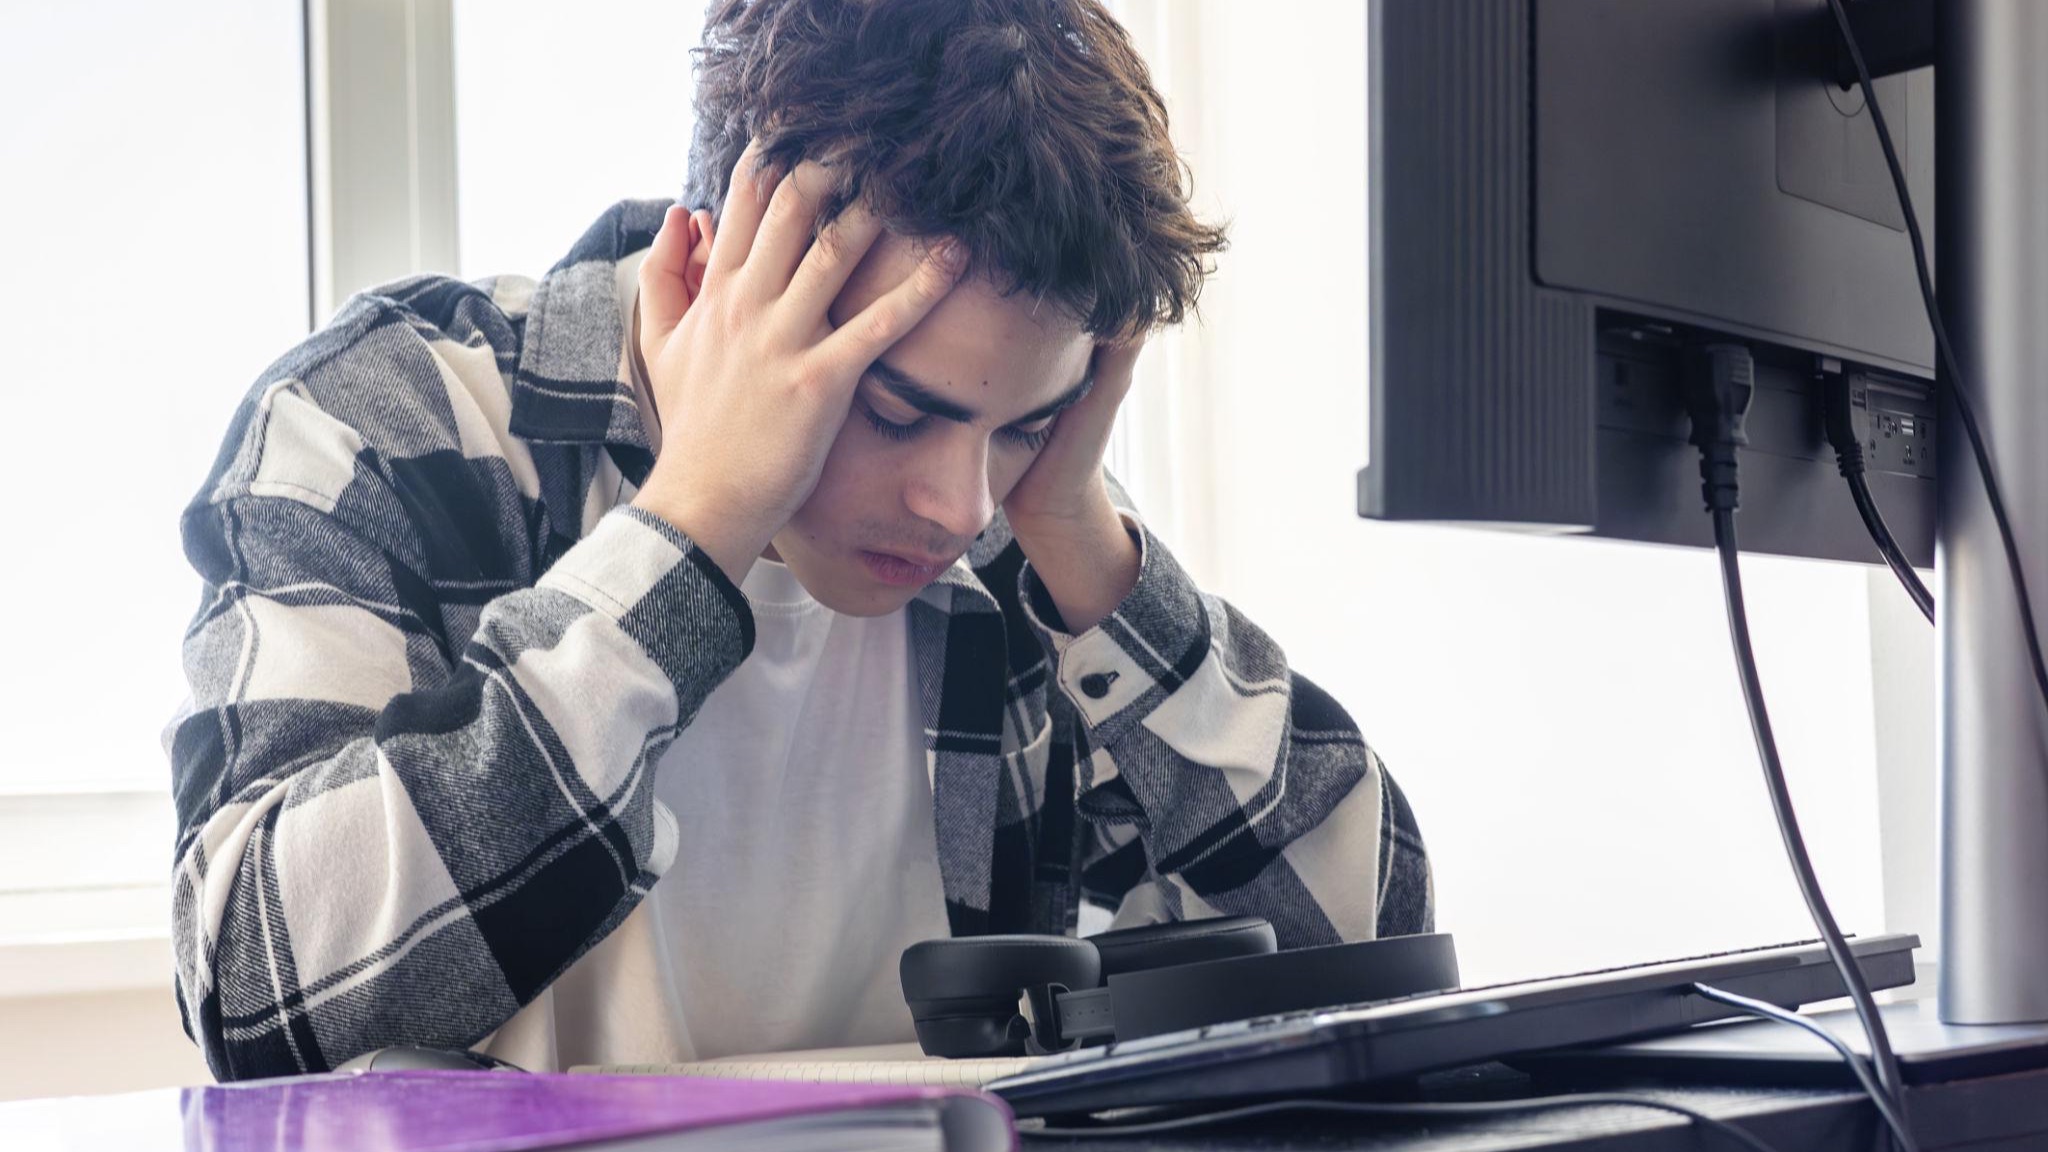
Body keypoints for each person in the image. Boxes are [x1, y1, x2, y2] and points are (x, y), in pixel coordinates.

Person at [164, 0, 1431, 1080]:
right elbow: (258, 998)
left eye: (1019, 428)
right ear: (712, 263)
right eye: (892, 407)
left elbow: (1375, 958)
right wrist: (696, 523)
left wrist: (1088, 546)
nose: (957, 507)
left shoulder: (1018, 523)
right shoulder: (385, 423)